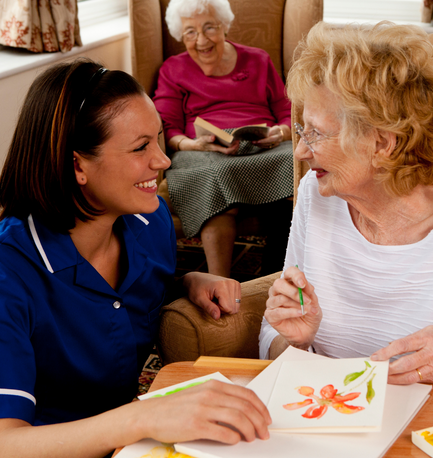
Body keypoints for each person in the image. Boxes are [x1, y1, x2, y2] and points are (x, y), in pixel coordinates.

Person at [0, 59, 271, 458]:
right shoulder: (9, 273)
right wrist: (141, 417)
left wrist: (186, 282)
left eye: (159, 140)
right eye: (141, 147)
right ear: (77, 165)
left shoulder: (148, 220)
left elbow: (119, 303)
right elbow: (6, 442)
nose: (163, 161)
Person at [259, 21, 433, 385]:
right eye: (302, 130)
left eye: (315, 132)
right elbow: (274, 336)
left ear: (382, 144)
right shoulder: (318, 196)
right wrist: (294, 342)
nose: (299, 150)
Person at [153, 0, 293, 278]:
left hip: (264, 149)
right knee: (213, 173)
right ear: (181, 35)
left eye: (209, 27)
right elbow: (167, 128)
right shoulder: (172, 69)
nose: (201, 40)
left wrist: (279, 133)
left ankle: (276, 276)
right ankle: (220, 284)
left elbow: (286, 111)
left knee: (297, 162)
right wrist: (192, 144)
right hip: (204, 153)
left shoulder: (258, 59)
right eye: (190, 31)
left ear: (224, 25)